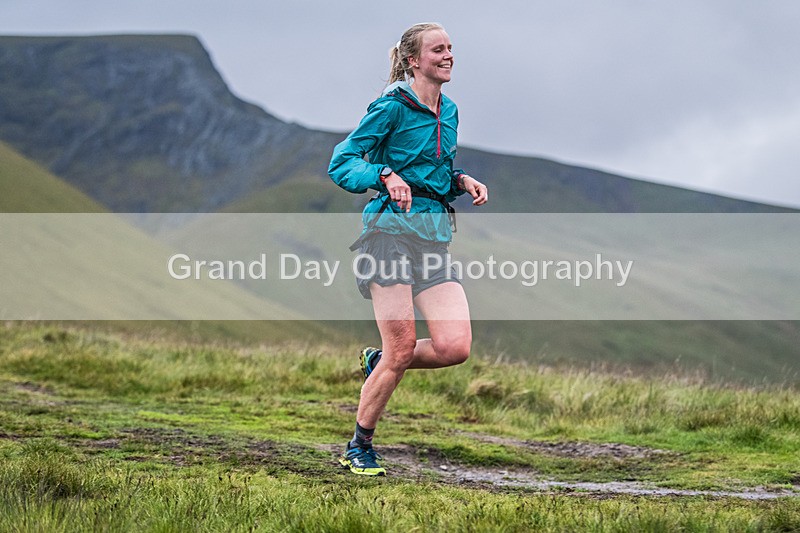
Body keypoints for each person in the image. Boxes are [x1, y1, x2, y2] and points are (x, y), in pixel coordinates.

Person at [328, 22, 488, 476]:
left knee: (454, 346)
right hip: (388, 236)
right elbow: (342, 163)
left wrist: (461, 181)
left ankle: (378, 360)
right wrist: (383, 175)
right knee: (401, 349)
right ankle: (359, 446)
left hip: (432, 237)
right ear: (414, 60)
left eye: (451, 48)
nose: (448, 55)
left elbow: (433, 171)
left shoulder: (450, 110)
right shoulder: (390, 108)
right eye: (438, 50)